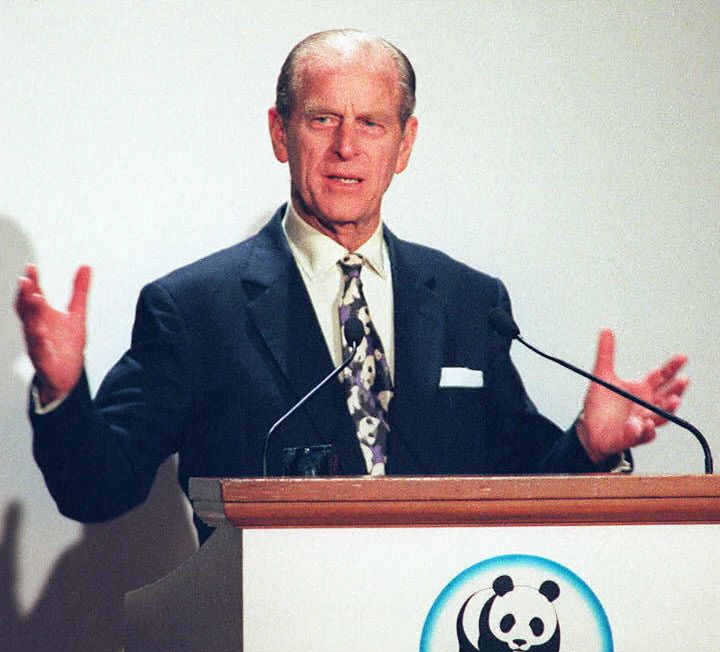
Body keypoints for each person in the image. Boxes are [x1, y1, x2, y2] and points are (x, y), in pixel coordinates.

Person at [15, 29, 688, 542]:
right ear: (281, 133)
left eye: (372, 122)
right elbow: (96, 490)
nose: (347, 147)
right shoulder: (195, 311)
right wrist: (62, 390)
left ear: (405, 143)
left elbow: (516, 493)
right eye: (322, 118)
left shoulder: (468, 303)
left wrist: (589, 448)